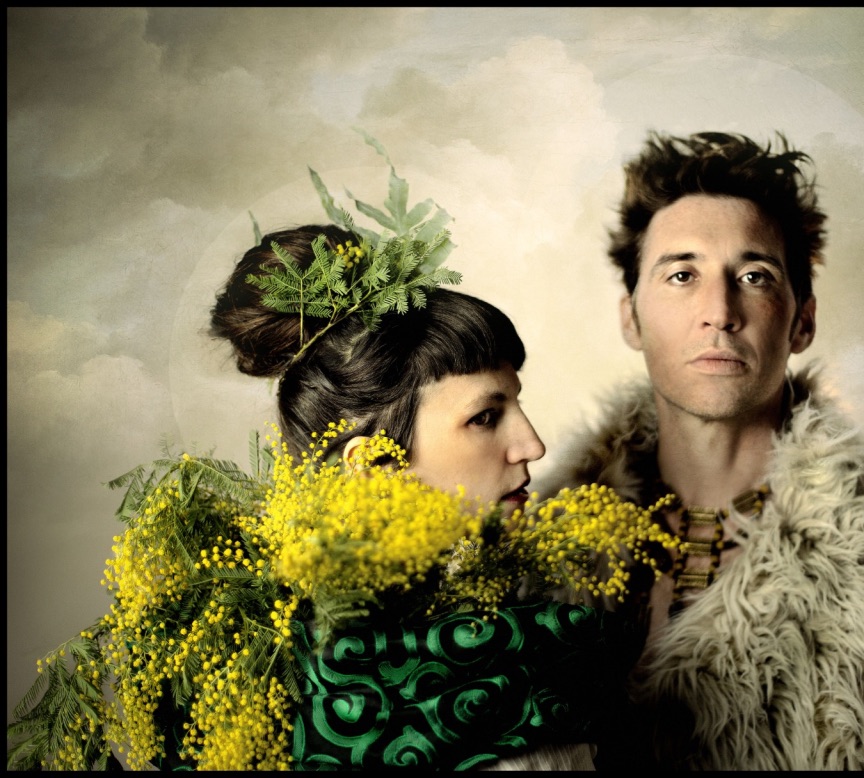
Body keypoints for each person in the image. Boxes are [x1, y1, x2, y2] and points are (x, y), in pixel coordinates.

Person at [538, 131, 864, 770]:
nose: (719, 312)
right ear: (631, 318)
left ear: (802, 321)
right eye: (682, 275)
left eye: (754, 277)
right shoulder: (533, 554)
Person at [208, 223, 645, 771]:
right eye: (485, 417)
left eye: (516, 405)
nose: (532, 445)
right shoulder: (511, 699)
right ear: (373, 466)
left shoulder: (253, 669)